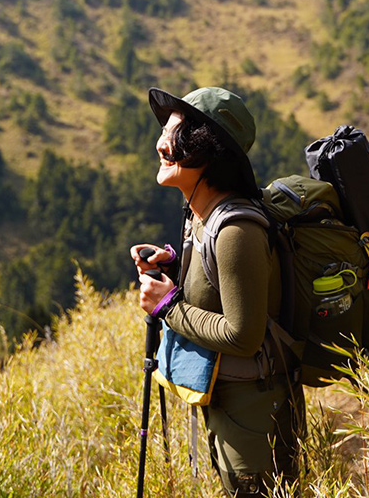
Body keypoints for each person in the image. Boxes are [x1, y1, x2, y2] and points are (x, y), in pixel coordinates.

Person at [131, 86, 306, 496]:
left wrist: (167, 305)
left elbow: (242, 336)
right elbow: (222, 286)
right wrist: (174, 266)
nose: (159, 144)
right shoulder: (203, 216)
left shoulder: (234, 230)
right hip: (232, 401)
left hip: (253, 410)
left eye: (172, 133)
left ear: (203, 149)